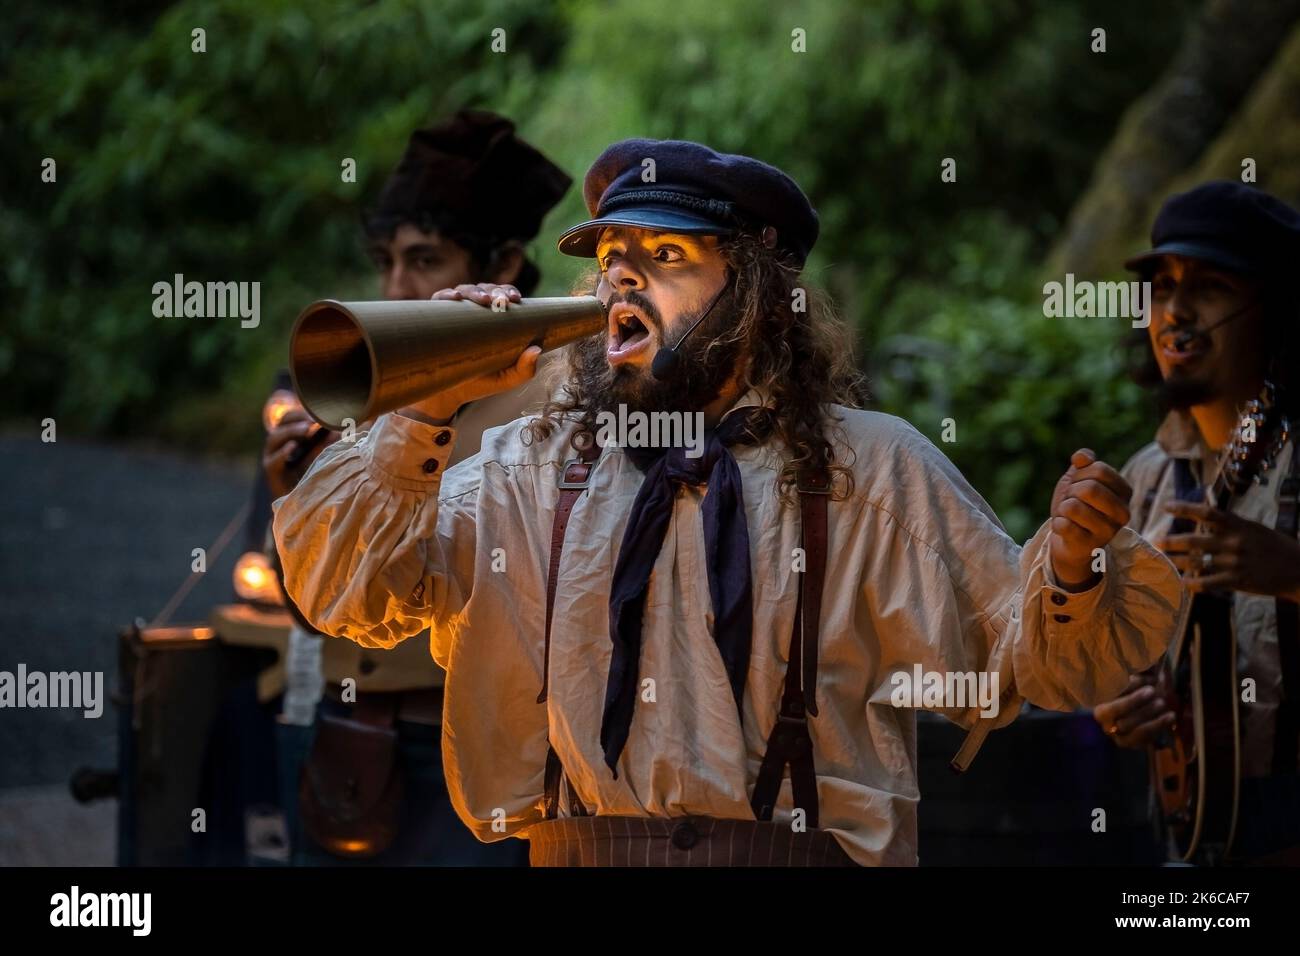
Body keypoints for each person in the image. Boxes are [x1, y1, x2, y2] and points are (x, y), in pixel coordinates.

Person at [273, 138, 1184, 866]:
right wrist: (428, 406)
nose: (623, 277)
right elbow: (348, 592)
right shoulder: (529, 466)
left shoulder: (874, 467)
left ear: (757, 294)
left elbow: (1033, 666)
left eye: (665, 256)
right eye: (613, 258)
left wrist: (1070, 570)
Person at [261, 110, 569, 865]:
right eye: (388, 260)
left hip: (476, 755)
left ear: (501, 268)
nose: (397, 286)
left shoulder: (567, 391)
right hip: (338, 722)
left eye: (425, 260)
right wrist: (293, 494)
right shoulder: (359, 364)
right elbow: (312, 597)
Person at [1092, 181, 1300, 864]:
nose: (1175, 311)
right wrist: (1123, 702)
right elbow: (1118, 660)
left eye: (1208, 287)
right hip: (1190, 840)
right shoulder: (1147, 476)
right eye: (1162, 287)